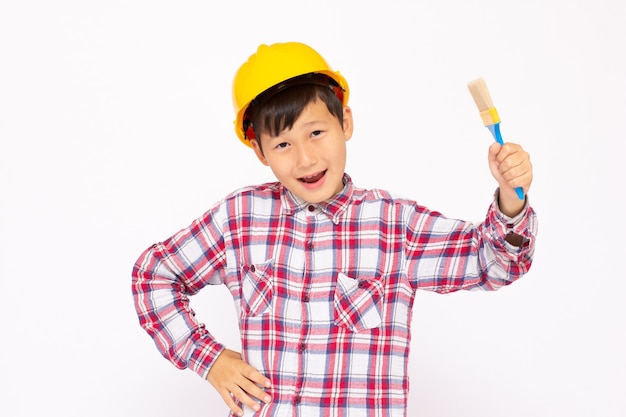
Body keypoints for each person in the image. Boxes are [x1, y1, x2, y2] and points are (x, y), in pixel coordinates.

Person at [132, 41, 538, 417]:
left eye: (316, 133)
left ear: (345, 121)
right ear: (259, 151)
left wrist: (511, 199)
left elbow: (495, 264)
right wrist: (211, 360)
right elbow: (153, 276)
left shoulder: (394, 226)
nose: (306, 159)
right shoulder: (240, 218)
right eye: (283, 145)